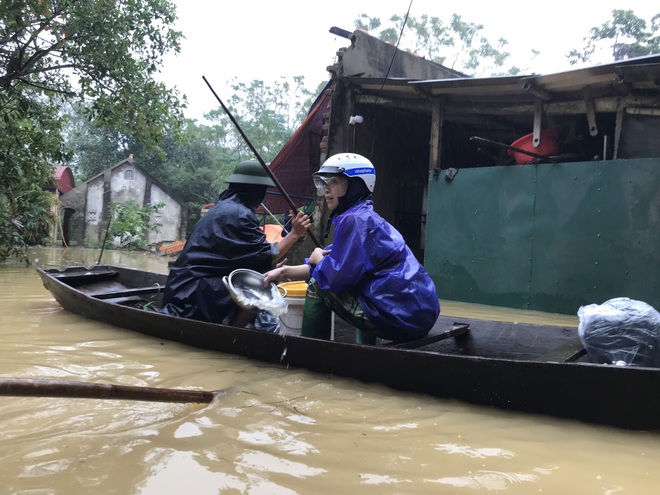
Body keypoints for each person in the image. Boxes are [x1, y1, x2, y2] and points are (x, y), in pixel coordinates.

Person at [264, 153, 440, 343]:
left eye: (334, 182)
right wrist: (284, 272)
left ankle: (312, 354)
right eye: (324, 183)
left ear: (356, 185)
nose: (326, 189)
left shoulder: (354, 220)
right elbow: (333, 264)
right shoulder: (365, 217)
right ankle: (364, 350)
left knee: (318, 285)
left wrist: (319, 259)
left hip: (400, 318)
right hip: (420, 315)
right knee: (345, 279)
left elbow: (335, 278)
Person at [160, 160, 311, 329]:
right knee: (257, 289)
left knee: (262, 278)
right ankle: (232, 333)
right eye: (263, 191)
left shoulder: (226, 207)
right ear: (256, 191)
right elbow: (268, 254)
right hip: (193, 292)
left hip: (185, 287)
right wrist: (295, 233)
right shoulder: (239, 214)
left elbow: (246, 257)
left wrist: (272, 270)